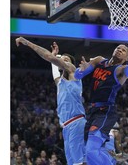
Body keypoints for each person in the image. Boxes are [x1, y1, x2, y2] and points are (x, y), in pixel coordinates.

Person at [74, 32, 128, 165]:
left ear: (126, 58)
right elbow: (78, 75)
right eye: (119, 48)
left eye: (124, 50)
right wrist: (80, 70)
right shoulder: (99, 60)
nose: (120, 50)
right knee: (89, 153)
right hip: (92, 111)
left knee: (91, 151)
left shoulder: (120, 71)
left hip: (106, 111)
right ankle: (112, 160)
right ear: (113, 51)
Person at [15, 37, 86, 165]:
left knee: (80, 162)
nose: (63, 60)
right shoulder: (61, 82)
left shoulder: (73, 71)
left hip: (77, 122)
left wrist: (27, 43)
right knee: (73, 163)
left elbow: (49, 58)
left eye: (66, 60)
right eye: (62, 59)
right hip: (66, 126)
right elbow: (55, 74)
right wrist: (54, 57)